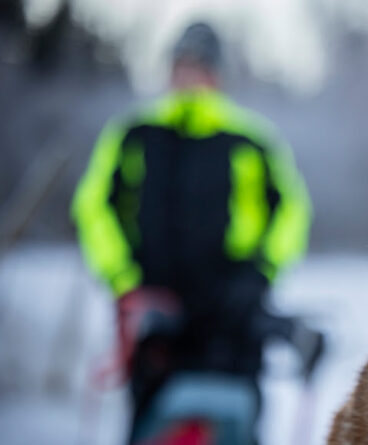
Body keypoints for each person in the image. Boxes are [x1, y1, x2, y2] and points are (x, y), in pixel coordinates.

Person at [72, 22, 321, 441]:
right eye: (182, 66)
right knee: (150, 423)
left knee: (238, 420)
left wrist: (261, 274)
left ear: (217, 74)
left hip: (234, 312)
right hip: (155, 311)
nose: (190, 77)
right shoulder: (134, 133)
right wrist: (123, 279)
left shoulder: (252, 139)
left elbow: (292, 212)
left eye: (199, 67)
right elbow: (93, 208)